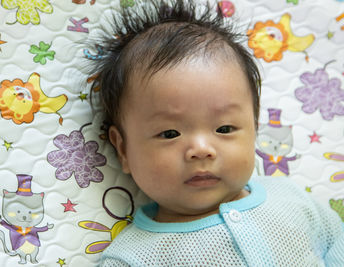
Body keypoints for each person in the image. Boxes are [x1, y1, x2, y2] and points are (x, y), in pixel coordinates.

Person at [87, 0, 344, 265]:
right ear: (123, 149)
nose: (201, 149)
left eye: (224, 128)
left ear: (254, 128)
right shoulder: (133, 258)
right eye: (170, 133)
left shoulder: (291, 199)